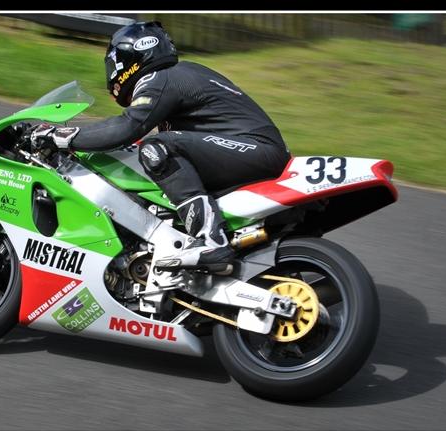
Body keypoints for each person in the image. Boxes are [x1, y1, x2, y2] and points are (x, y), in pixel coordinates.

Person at [30, 21, 291, 274]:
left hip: (254, 149)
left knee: (157, 148)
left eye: (114, 64)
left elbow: (126, 128)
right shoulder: (180, 75)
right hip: (249, 150)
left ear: (129, 59)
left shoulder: (160, 78)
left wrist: (62, 135)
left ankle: (211, 239)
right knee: (154, 153)